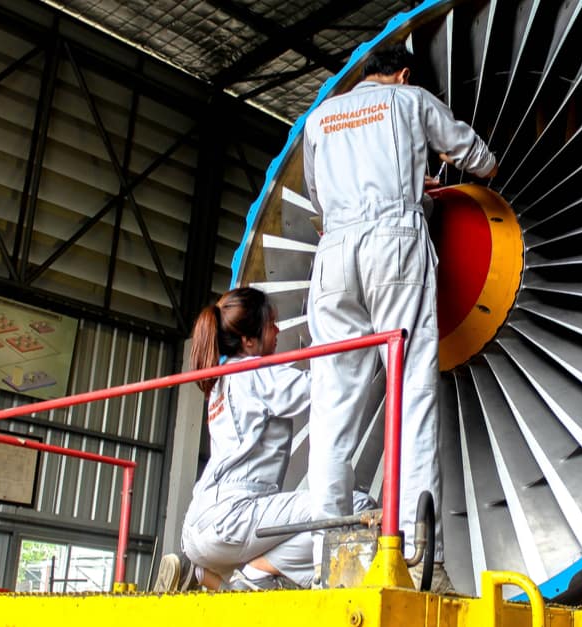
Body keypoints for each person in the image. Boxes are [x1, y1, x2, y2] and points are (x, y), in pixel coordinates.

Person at [302, 45, 498, 592]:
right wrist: (428, 191)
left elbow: (320, 199)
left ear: (363, 74)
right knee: (410, 390)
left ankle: (328, 560)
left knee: (334, 404)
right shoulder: (410, 100)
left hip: (335, 257)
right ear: (404, 73)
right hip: (395, 247)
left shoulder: (318, 118)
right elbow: (478, 157)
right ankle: (415, 557)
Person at [153, 287, 373, 592]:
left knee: (263, 555)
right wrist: (364, 346)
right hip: (233, 517)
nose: (278, 330)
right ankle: (260, 573)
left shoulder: (221, 378)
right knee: (359, 507)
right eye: (271, 324)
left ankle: (200, 574)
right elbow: (321, 388)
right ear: (248, 340)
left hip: (196, 527)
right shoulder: (253, 371)